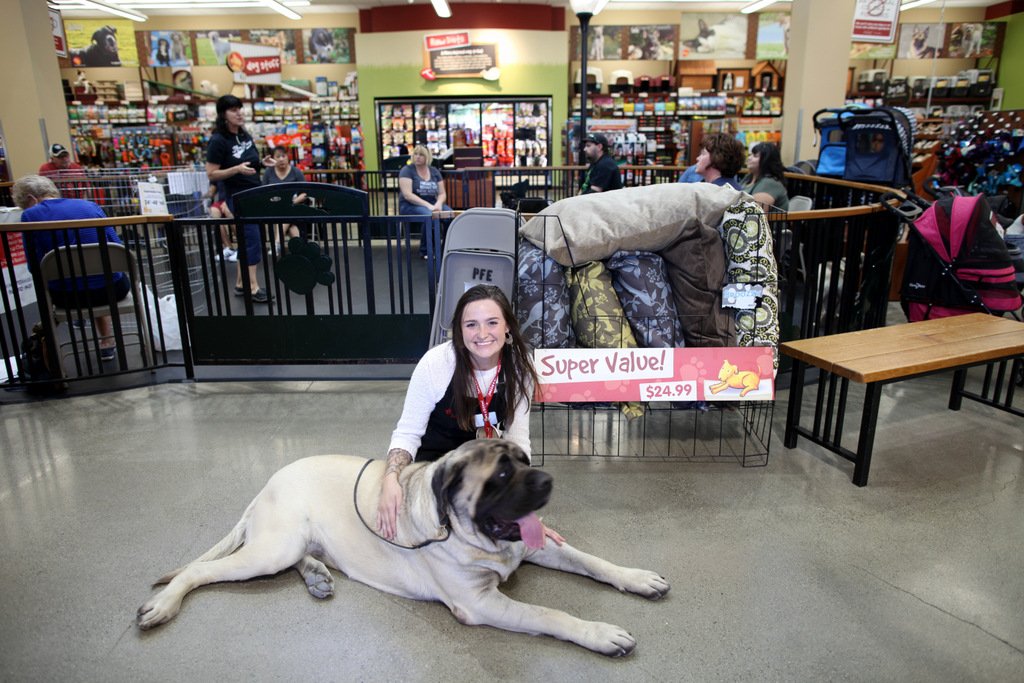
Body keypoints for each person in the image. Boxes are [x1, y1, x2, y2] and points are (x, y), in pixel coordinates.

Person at [376, 284, 564, 546]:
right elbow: (408, 433)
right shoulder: (436, 365)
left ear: (507, 326)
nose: (482, 334)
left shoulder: (521, 367)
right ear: (459, 330)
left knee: (524, 543)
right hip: (436, 473)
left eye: (492, 323)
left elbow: (518, 441)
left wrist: (522, 509)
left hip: (486, 475)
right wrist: (391, 479)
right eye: (471, 325)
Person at [14, 175, 127, 362]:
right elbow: (117, 246)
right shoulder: (90, 206)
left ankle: (50, 352)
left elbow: (34, 266)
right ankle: (107, 341)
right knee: (101, 275)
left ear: (31, 199)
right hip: (112, 291)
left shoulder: (30, 216)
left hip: (66, 297)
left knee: (67, 284)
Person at [205, 94, 275, 304]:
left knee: (249, 240)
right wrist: (235, 169)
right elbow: (212, 174)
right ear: (223, 115)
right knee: (251, 239)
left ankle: (240, 283)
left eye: (240, 108)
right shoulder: (218, 141)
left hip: (255, 193)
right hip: (238, 197)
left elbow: (249, 164)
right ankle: (252, 287)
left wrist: (262, 163)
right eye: (233, 110)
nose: (239, 113)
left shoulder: (244, 135)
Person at [398, 145, 452, 260]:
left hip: (432, 203)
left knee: (450, 215)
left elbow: (442, 193)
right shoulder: (407, 170)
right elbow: (408, 195)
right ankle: (426, 250)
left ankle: (445, 248)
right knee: (430, 215)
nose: (417, 157)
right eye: (416, 154)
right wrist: (429, 206)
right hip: (410, 205)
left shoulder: (434, 171)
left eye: (421, 154)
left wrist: (438, 204)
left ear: (427, 156)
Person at [262, 146, 307, 243]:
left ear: (288, 157)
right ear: (273, 159)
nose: (281, 159)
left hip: (295, 206)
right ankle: (302, 248)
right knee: (291, 227)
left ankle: (277, 242)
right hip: (274, 206)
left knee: (287, 210)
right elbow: (263, 192)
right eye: (278, 156)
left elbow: (305, 193)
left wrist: (294, 201)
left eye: (284, 156)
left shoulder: (296, 172)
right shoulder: (268, 172)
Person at [741, 141, 790, 211]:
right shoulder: (749, 177)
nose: (749, 158)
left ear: (767, 160)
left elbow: (754, 214)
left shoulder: (769, 183)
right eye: (750, 155)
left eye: (755, 156)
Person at [207, 183, 237, 262]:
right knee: (214, 211)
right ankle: (229, 247)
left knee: (228, 210)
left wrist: (228, 201)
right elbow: (213, 187)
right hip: (221, 201)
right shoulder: (216, 175)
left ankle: (242, 246)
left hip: (233, 198)